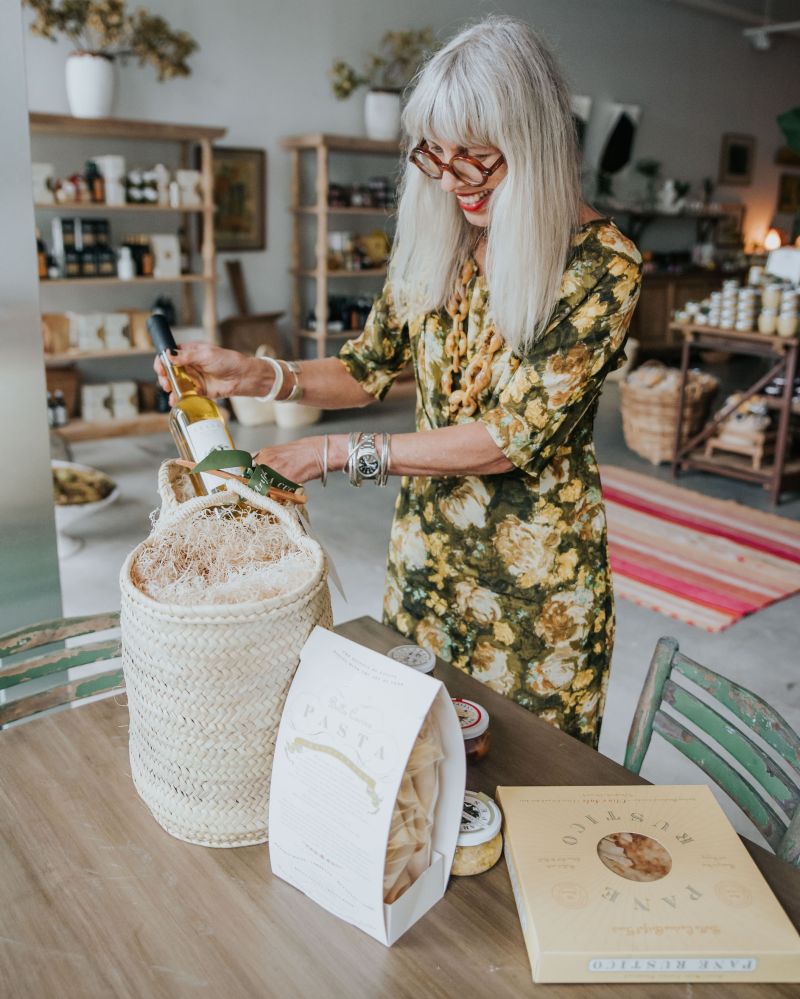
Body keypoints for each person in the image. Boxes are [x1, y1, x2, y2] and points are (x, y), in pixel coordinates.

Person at [155, 16, 642, 748]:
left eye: (478, 158)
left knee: (533, 780)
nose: (453, 183)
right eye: (436, 158)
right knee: (421, 762)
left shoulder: (602, 269)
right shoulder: (443, 241)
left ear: (535, 142)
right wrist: (253, 373)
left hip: (536, 590)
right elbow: (365, 365)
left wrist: (334, 453)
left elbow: (506, 441)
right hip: (426, 560)